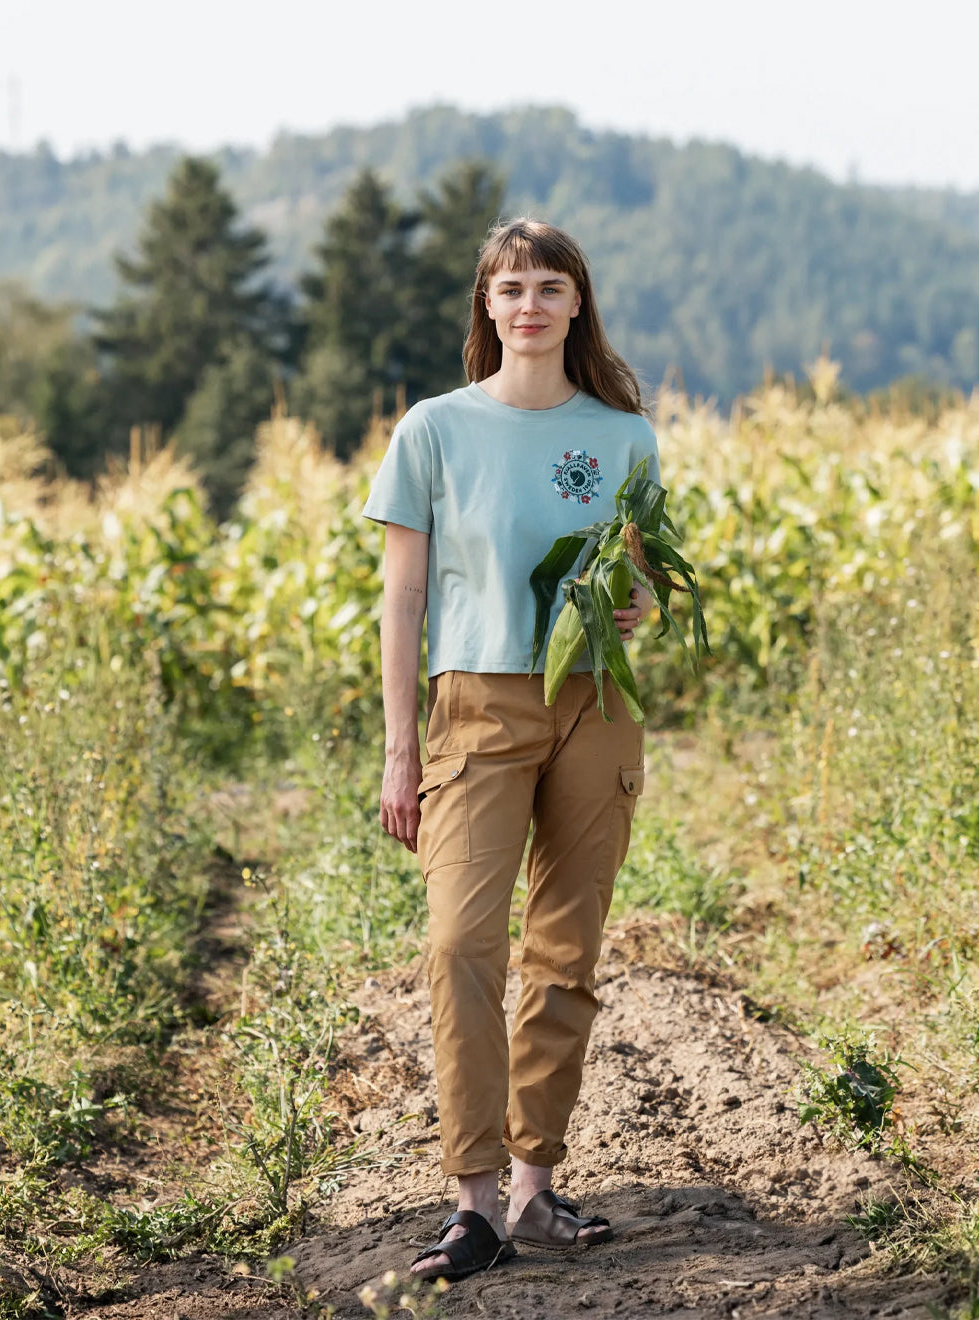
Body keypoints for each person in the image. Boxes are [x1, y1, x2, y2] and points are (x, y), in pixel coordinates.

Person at [363, 217, 659, 1282]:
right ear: (486, 310)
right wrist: (402, 749)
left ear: (578, 304)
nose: (529, 305)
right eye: (510, 289)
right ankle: (472, 1199)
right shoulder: (433, 431)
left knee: (565, 950)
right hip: (475, 705)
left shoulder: (623, 432)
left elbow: (637, 573)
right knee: (459, 944)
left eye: (550, 287)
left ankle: (534, 1188)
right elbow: (401, 598)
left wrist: (638, 608)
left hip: (594, 705)